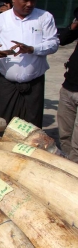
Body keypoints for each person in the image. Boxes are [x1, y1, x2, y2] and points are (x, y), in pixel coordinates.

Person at [0, 0, 58, 127]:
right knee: (6, 126)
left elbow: (53, 44)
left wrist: (32, 49)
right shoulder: (1, 19)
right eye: (25, 0)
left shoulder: (45, 17)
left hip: (34, 84)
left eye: (33, 0)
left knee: (32, 128)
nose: (29, 4)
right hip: (7, 84)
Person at [56, 13, 78, 162]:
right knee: (65, 134)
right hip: (69, 86)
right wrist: (73, 24)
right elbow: (62, 40)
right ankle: (67, 165)